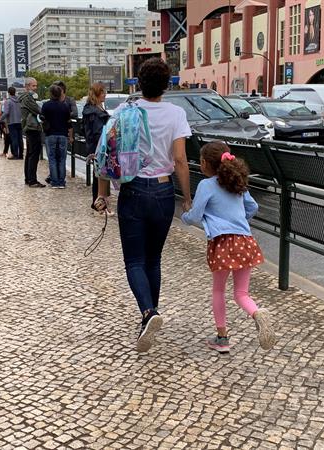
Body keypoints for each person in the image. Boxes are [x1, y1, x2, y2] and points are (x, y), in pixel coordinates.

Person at [94, 58, 192, 353]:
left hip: (133, 190)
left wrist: (103, 195)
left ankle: (149, 313)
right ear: (167, 84)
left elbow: (106, 154)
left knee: (134, 261)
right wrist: (186, 197)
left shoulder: (125, 111)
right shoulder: (176, 113)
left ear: (138, 82)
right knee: (153, 259)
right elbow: (180, 161)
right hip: (163, 191)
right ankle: (150, 314)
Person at [181, 142, 276, 353]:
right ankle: (257, 313)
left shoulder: (207, 185)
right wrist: (240, 219)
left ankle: (222, 339)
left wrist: (185, 215)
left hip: (222, 242)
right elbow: (253, 207)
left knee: (219, 290)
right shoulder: (236, 181)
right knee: (241, 293)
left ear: (205, 163)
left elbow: (196, 215)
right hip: (245, 241)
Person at [83, 82, 110, 211]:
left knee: (100, 174)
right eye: (103, 92)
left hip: (95, 145)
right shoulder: (95, 111)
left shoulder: (94, 108)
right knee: (99, 175)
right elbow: (98, 131)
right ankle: (98, 204)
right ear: (97, 94)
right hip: (99, 146)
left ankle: (99, 202)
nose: (105, 94)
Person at [41, 84, 72, 188]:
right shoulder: (65, 106)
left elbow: (42, 118)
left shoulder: (46, 105)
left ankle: (54, 181)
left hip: (50, 135)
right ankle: (61, 182)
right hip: (63, 135)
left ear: (51, 93)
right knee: (62, 159)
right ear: (60, 94)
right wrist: (70, 136)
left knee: (52, 158)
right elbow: (69, 123)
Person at [19, 77, 45, 187]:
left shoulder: (25, 97)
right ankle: (32, 180)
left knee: (30, 153)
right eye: (33, 86)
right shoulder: (28, 97)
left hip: (29, 127)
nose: (35, 88)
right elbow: (37, 110)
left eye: (36, 85)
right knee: (34, 154)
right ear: (27, 86)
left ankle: (28, 178)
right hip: (32, 127)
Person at [0, 86, 23, 159]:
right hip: (20, 122)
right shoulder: (19, 101)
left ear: (8, 93)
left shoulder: (8, 101)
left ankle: (15, 155)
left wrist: (0, 119)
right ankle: (21, 155)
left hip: (12, 123)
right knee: (20, 139)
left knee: (14, 139)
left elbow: (6, 112)